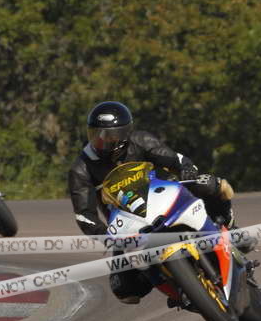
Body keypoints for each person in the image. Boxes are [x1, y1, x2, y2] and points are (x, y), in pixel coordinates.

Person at [68, 101, 238, 303]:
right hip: (128, 224)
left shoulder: (141, 140)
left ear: (125, 133)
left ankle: (231, 228)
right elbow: (84, 214)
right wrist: (105, 235)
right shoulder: (81, 168)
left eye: (110, 136)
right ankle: (175, 285)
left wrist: (186, 170)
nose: (102, 141)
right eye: (96, 135)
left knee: (211, 185)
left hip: (165, 196)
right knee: (124, 290)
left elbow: (177, 159)